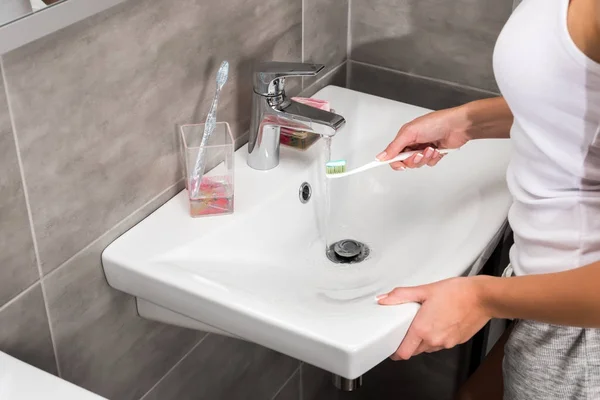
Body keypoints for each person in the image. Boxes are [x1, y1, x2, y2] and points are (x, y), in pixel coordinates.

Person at [375, 0, 600, 398]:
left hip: (582, 329)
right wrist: (469, 121)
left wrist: (482, 298)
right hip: (549, 298)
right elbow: (576, 99)